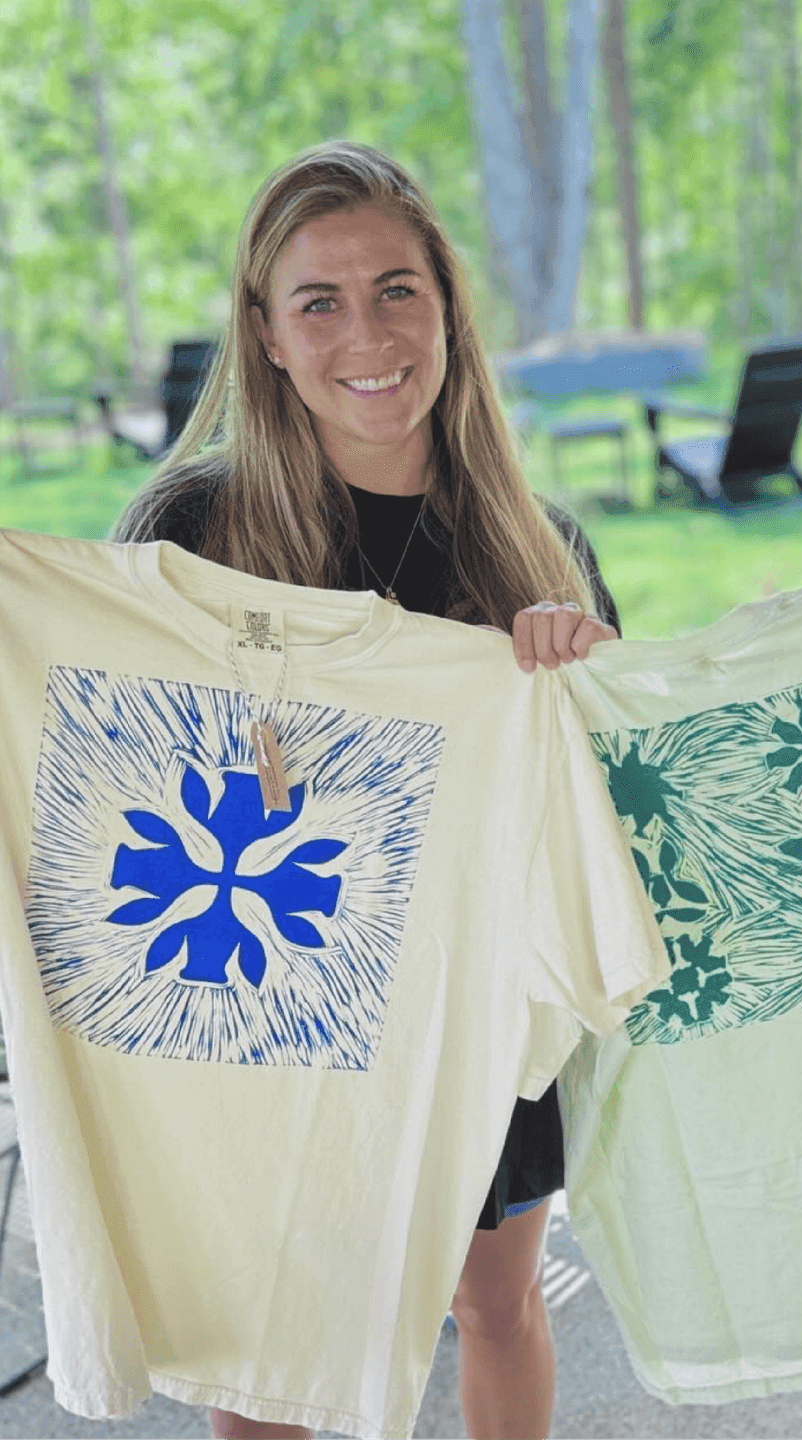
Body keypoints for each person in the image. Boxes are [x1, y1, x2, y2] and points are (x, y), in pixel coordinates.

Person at [114, 140, 614, 1440]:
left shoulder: (539, 543)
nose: (366, 334)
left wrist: (578, 685)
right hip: (274, 989)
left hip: (477, 996)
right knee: (270, 1335)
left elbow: (602, 811)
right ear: (268, 337)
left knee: (492, 1303)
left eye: (397, 289)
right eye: (318, 302)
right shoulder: (193, 535)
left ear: (447, 307)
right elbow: (110, 772)